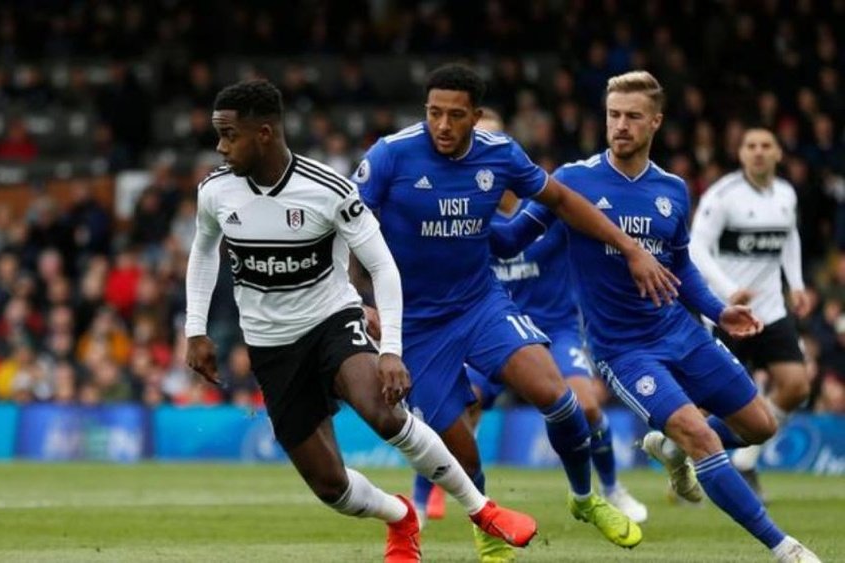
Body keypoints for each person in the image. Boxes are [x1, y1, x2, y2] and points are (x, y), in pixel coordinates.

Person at [185, 79, 537, 563]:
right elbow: (203, 251)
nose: (221, 148)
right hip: (271, 346)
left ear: (264, 133)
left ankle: (483, 511)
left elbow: (383, 266)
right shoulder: (215, 191)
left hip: (333, 320)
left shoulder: (328, 189)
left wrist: (390, 348)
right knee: (330, 485)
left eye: (229, 135)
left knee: (384, 412)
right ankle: (399, 516)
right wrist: (195, 329)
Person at [490, 71, 820, 563]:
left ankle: (671, 448)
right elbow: (510, 239)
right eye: (613, 115)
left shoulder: (672, 189)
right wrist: (462, 223)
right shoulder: (573, 181)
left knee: (760, 425)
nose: (620, 125)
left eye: (632, 117)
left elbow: (681, 264)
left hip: (680, 331)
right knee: (702, 435)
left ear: (656, 123)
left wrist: (718, 309)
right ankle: (784, 547)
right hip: (624, 351)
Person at [353, 63, 678, 560]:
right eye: (434, 113)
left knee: (559, 394)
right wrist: (362, 302)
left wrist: (630, 248)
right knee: (458, 447)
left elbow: (563, 200)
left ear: (475, 116)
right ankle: (486, 522)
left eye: (455, 115)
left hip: (479, 304)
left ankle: (585, 498)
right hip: (415, 324)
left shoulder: (500, 155)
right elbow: (345, 230)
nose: (442, 125)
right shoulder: (391, 156)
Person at [410, 108, 648, 528]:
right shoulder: (460, 212)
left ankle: (611, 488)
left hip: (553, 329)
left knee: (586, 407)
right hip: (485, 325)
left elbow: (588, 234)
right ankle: (423, 497)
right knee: (452, 408)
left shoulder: (544, 207)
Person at [689, 126, 813, 497]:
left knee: (796, 386)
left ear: (778, 153)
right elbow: (696, 247)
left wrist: (798, 284)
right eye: (751, 146)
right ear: (740, 153)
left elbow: (789, 238)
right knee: (713, 401)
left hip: (772, 311)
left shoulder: (786, 194)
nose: (758, 152)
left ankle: (744, 462)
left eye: (766, 146)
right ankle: (692, 465)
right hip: (728, 313)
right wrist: (729, 291)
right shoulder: (723, 195)